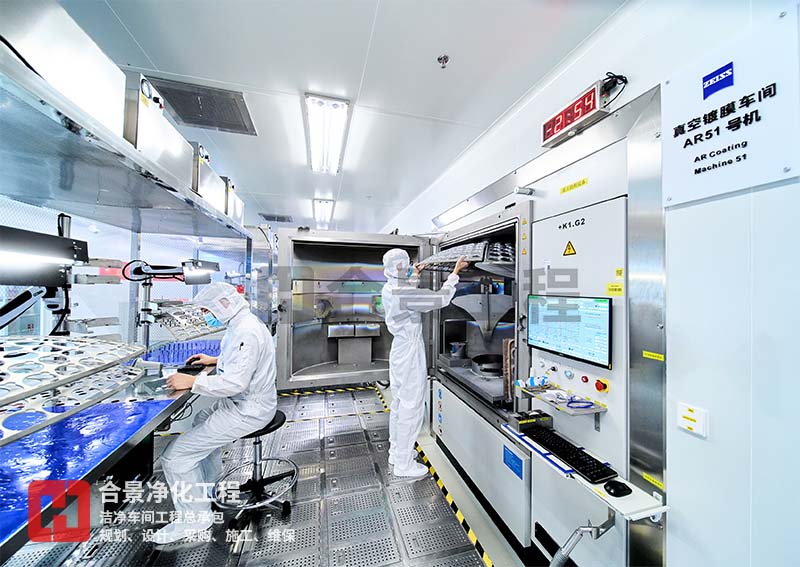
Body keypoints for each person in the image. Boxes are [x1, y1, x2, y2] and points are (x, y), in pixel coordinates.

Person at [154, 282, 276, 544]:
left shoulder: (246, 330)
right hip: (242, 403)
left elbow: (235, 383)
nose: (206, 316)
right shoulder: (241, 324)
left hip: (248, 410)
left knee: (175, 456)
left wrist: (192, 382)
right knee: (200, 419)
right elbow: (243, 361)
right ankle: (207, 488)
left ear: (223, 305)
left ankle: (195, 518)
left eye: (207, 310)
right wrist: (214, 361)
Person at [381, 249, 468, 477]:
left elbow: (407, 293)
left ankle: (396, 453)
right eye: (407, 264)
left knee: (399, 404)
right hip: (410, 353)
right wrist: (455, 274)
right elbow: (440, 299)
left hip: (400, 351)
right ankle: (404, 465)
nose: (411, 266)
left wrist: (414, 276)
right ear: (399, 267)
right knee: (411, 406)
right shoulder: (403, 292)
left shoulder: (390, 286)